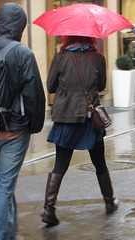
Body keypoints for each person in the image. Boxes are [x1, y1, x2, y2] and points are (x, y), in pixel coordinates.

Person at [0, 3, 45, 240]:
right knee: (4, 186)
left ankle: (8, 232)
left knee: (4, 184)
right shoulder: (23, 53)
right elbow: (34, 95)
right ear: (20, 26)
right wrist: (34, 125)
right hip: (14, 132)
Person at [41, 36, 118, 226]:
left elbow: (50, 86)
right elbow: (101, 87)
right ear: (91, 37)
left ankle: (49, 209)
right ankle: (109, 202)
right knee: (99, 162)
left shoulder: (61, 56)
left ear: (68, 37)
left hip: (65, 117)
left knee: (60, 165)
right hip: (89, 118)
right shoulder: (98, 57)